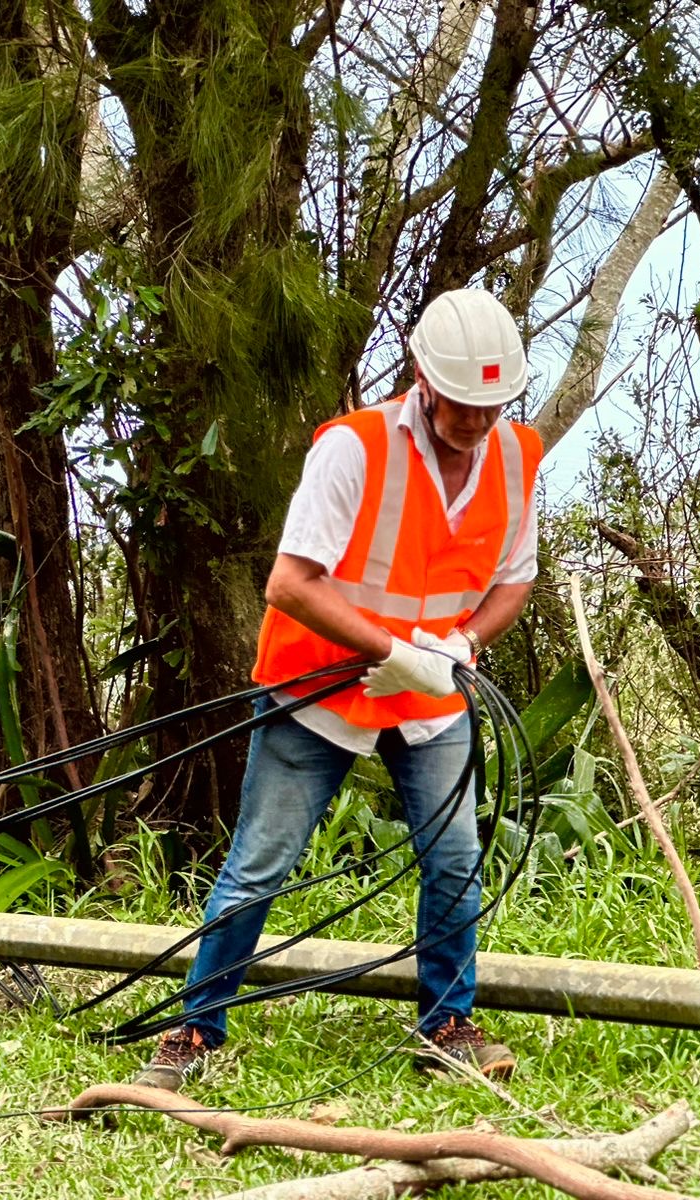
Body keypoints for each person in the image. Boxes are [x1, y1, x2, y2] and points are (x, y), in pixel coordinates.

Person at [132, 289, 542, 1092]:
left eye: (492, 406)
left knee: (456, 858)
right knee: (259, 864)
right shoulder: (353, 450)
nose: (476, 422)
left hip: (429, 690)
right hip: (318, 687)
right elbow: (290, 584)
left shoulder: (515, 455)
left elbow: (513, 581)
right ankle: (194, 1033)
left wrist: (461, 644)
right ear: (424, 379)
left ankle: (447, 1024)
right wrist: (392, 648)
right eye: (463, 405)